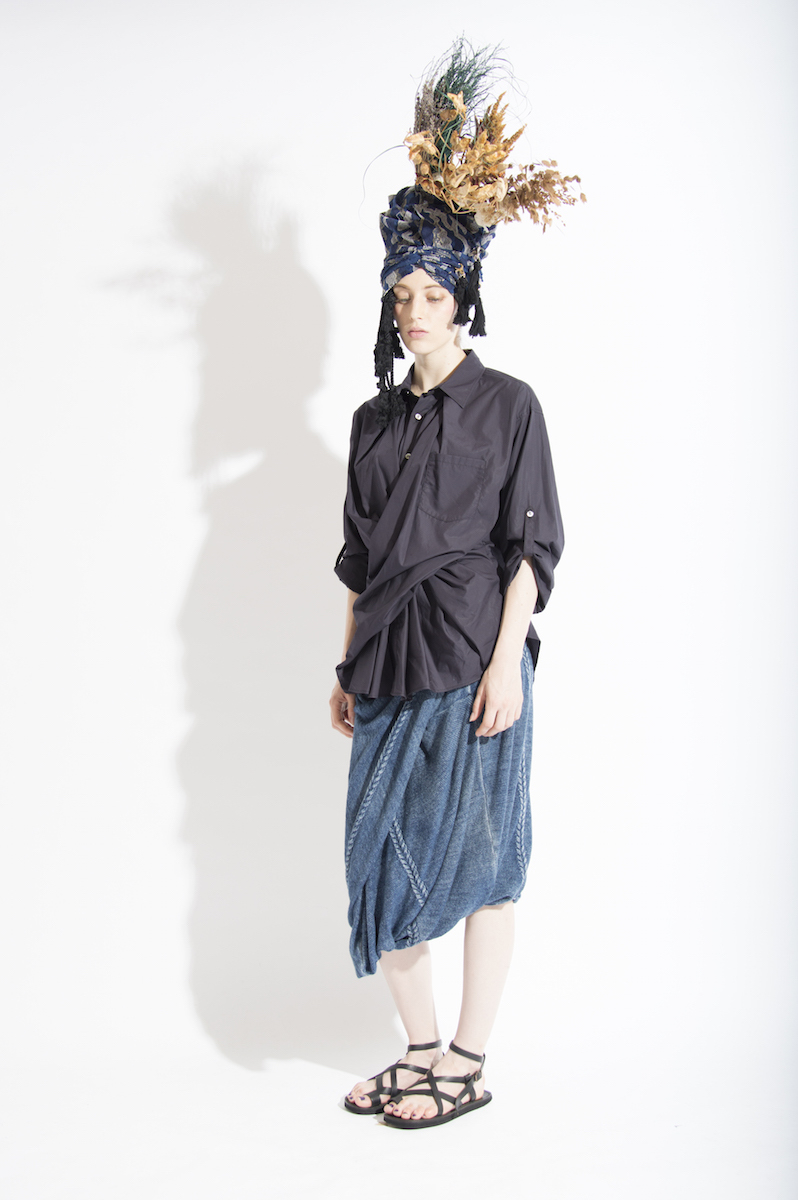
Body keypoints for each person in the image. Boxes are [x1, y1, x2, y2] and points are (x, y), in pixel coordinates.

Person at [329, 42, 578, 1129]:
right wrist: (344, 661)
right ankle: (420, 1049)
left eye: (432, 291)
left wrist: (509, 663)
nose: (415, 309)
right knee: (378, 869)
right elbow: (357, 555)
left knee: (483, 861)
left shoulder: (510, 405)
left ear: (464, 296)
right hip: (386, 661)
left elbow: (531, 548)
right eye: (402, 292)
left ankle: (467, 1061)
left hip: (477, 662)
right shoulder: (371, 422)